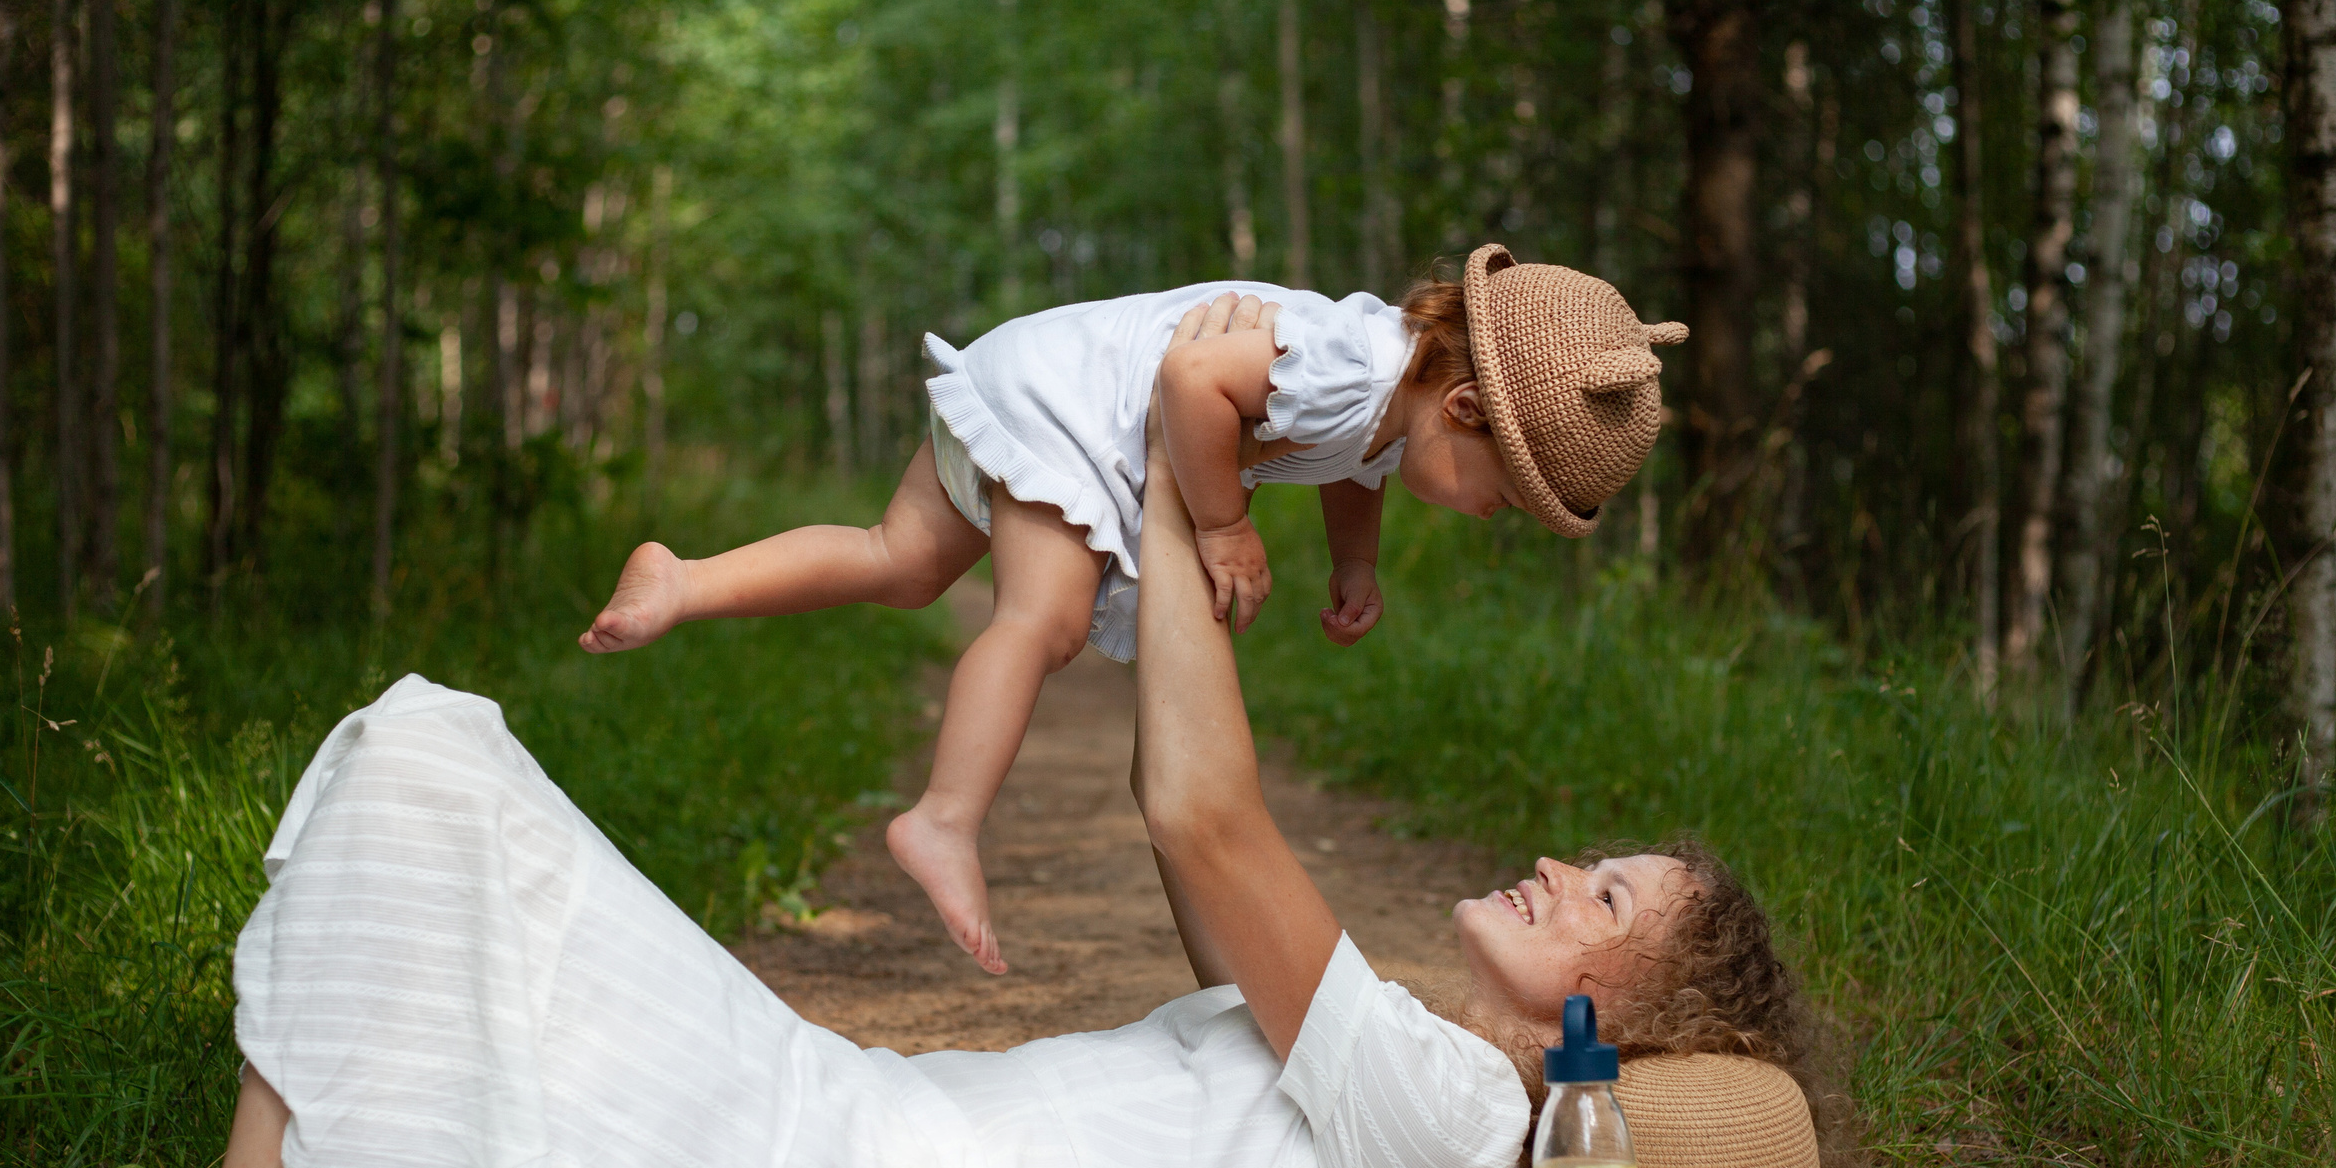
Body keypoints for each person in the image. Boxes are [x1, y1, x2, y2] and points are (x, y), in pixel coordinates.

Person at [0, 299, 1918, 1168]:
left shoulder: (1459, 1122)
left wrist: (1176, 468)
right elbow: (1194, 847)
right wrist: (1194, 479)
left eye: (1605, 892)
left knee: (427, 769)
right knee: (428, 794)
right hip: (850, 1143)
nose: (1562, 862)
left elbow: (1206, 810)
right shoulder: (1404, 1081)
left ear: (1620, 1017)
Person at [579, 245, 1687, 975]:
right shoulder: (1352, 368)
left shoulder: (1388, 391)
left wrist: (1355, 561)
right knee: (1042, 622)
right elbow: (1194, 386)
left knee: (899, 558)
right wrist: (1223, 526)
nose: (1493, 515)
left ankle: (687, 579)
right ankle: (943, 817)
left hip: (1032, 373)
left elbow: (1357, 464)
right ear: (1464, 408)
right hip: (1072, 410)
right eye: (1506, 495)